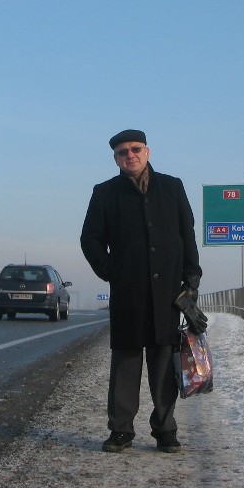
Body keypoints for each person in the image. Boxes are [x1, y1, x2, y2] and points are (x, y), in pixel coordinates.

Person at [80, 129, 203, 454]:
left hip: (167, 293)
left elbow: (186, 234)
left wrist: (191, 277)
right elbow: (90, 239)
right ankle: (120, 430)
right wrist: (112, 272)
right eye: (122, 152)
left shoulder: (172, 187)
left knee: (164, 363)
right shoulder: (105, 192)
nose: (129, 155)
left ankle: (165, 430)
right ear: (116, 158)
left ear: (147, 151)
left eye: (135, 149)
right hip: (128, 293)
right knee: (125, 361)